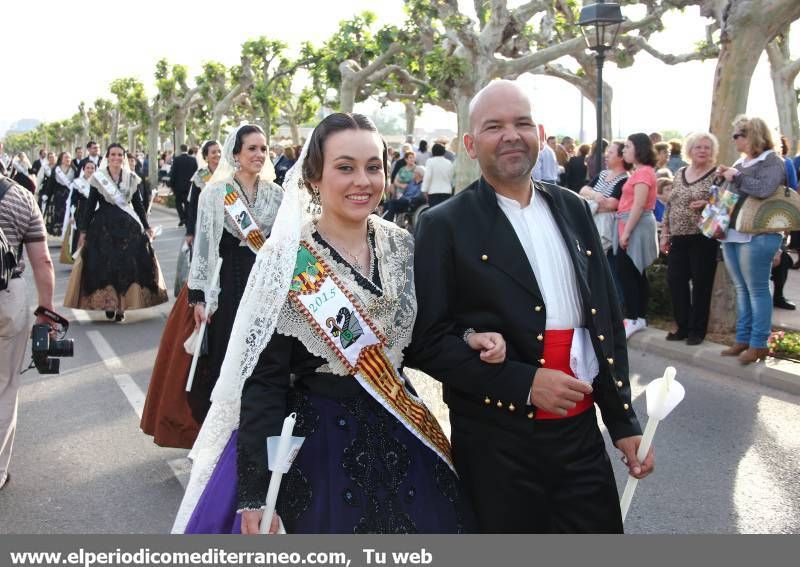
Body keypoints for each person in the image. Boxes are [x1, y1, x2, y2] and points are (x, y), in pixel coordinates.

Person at [171, 113, 509, 535]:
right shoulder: (287, 259)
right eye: (345, 167)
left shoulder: (402, 245)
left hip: (399, 424)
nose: (362, 181)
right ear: (313, 177)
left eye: (373, 167)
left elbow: (415, 340)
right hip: (319, 446)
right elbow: (266, 382)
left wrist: (467, 337)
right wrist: (256, 492)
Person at [411, 80, 652, 533]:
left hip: (580, 438)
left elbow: (604, 321)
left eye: (522, 123)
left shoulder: (573, 209)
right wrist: (523, 383)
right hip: (496, 445)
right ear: (469, 144)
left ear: (538, 133)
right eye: (494, 126)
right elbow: (424, 341)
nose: (511, 134)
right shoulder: (443, 224)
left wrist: (622, 421)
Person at [141, 127, 282, 448]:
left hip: (262, 286)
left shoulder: (276, 195)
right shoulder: (216, 194)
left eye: (263, 149)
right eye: (252, 149)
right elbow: (204, 248)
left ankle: (254, 430)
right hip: (227, 284)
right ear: (236, 154)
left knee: (261, 358)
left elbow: (281, 245)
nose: (259, 154)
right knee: (225, 357)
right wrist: (200, 296)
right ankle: (221, 434)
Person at [63, 143, 168, 321]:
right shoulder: (98, 178)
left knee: (127, 266)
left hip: (128, 228)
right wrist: (83, 230)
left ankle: (121, 307)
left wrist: (147, 226)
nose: (116, 158)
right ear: (107, 157)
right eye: (113, 155)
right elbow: (90, 206)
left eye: (120, 155)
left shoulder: (132, 178)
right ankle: (109, 303)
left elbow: (138, 205)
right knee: (105, 267)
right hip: (103, 228)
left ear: (124, 157)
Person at [0, 173, 56, 492]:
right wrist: (45, 313)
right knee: (5, 385)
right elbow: (42, 261)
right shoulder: (21, 197)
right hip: (8, 296)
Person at [718, 116, 787, 364]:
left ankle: (759, 343)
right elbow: (732, 193)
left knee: (757, 290)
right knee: (742, 289)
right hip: (733, 232)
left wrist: (736, 176)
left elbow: (764, 189)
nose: (734, 139)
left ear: (752, 135)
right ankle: (743, 339)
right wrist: (725, 177)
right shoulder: (742, 160)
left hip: (758, 234)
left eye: (738, 135)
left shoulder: (771, 160)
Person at [660, 132, 720, 345]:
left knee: (702, 284)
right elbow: (670, 204)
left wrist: (708, 205)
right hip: (678, 235)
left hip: (703, 237)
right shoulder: (681, 172)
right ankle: (682, 326)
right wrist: (665, 233)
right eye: (698, 147)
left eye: (707, 147)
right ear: (690, 150)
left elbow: (725, 204)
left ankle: (696, 331)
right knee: (676, 281)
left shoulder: (717, 174)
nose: (703, 150)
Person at [617, 133, 659, 339]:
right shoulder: (641, 172)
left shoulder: (643, 173)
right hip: (631, 224)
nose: (624, 150)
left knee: (630, 272)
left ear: (639, 148)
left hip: (635, 225)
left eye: (628, 146)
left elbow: (639, 205)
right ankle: (637, 316)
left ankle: (635, 317)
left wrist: (626, 232)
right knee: (634, 273)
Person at [579, 140, 631, 303]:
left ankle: (617, 305)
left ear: (621, 156)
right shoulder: (601, 174)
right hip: (592, 224)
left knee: (609, 268)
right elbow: (582, 190)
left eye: (610, 153)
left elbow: (612, 204)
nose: (606, 156)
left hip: (607, 230)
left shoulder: (624, 179)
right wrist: (596, 197)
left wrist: (591, 200)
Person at [185, 140, 222, 246]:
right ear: (206, 157)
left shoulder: (228, 174)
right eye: (213, 152)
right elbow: (193, 205)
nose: (217, 155)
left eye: (219, 151)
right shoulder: (201, 175)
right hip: (206, 225)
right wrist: (190, 232)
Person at [60, 161, 95, 263]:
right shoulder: (77, 183)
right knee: (81, 235)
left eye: (92, 168)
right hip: (82, 213)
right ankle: (80, 259)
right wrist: (72, 215)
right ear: (83, 169)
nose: (90, 170)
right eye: (88, 168)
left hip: (95, 212)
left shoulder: (98, 183)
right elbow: (73, 201)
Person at [42, 152, 76, 237]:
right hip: (58, 196)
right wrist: (46, 194)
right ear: (61, 159)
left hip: (69, 195)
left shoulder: (74, 169)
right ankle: (60, 233)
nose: (68, 159)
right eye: (66, 157)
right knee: (59, 215)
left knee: (68, 215)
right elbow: (51, 183)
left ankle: (67, 235)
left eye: (69, 158)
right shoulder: (56, 169)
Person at [170, 144, 198, 227]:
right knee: (187, 204)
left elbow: (173, 173)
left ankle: (182, 218)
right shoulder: (193, 160)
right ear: (187, 149)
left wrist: (171, 185)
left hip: (178, 187)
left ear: (180, 149)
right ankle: (186, 219)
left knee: (178, 203)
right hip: (189, 186)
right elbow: (196, 174)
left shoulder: (176, 160)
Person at [421, 143, 454, 208]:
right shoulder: (449, 162)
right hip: (447, 191)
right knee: (444, 212)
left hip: (433, 192)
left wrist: (424, 190)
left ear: (433, 151)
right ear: (444, 152)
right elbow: (451, 177)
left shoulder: (430, 161)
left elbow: (427, 177)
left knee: (434, 213)